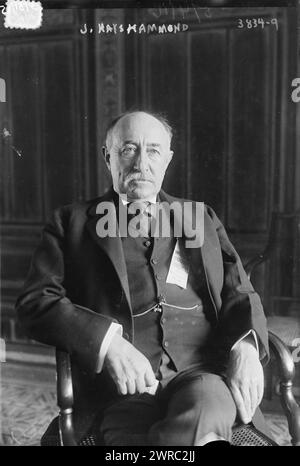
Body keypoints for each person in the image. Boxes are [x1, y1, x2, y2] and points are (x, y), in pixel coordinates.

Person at [16, 110, 269, 446]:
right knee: (130, 436)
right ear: (108, 157)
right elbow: (36, 301)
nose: (141, 163)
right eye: (128, 149)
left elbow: (240, 289)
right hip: (119, 386)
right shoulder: (70, 223)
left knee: (204, 412)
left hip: (199, 375)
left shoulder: (200, 217)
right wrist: (109, 344)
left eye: (153, 151)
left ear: (167, 159)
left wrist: (247, 348)